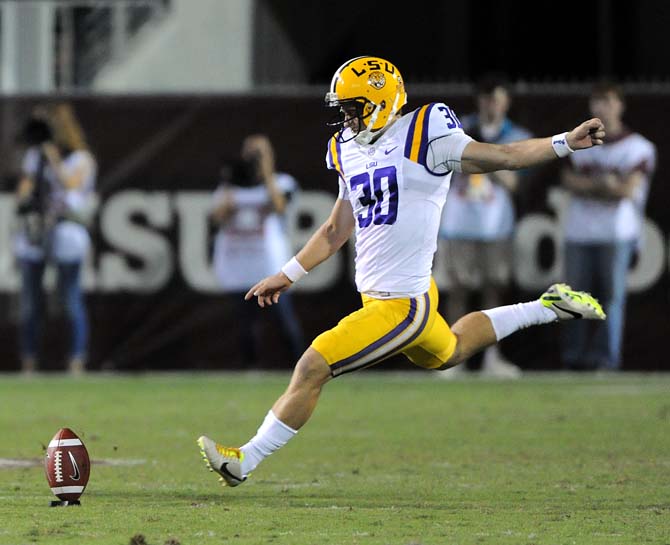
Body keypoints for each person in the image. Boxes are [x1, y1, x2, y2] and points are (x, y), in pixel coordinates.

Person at [197, 56, 607, 487]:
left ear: (380, 100)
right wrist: (289, 273)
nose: (346, 117)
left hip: (401, 304)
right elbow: (337, 228)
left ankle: (245, 459)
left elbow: (502, 155)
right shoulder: (345, 148)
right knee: (451, 350)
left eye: (353, 106)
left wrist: (564, 142)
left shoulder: (425, 129)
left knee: (312, 366)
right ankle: (548, 306)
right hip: (391, 297)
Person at [438, 73, 532, 378]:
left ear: (506, 103)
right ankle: (455, 357)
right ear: (479, 101)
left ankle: (492, 357)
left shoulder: (515, 135)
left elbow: (515, 181)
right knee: (458, 290)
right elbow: (442, 169)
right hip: (459, 222)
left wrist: (489, 159)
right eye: (487, 98)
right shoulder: (460, 130)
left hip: (495, 226)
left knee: (494, 290)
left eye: (497, 99)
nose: (491, 105)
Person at [559, 82, 656, 371]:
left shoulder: (639, 146)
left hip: (617, 233)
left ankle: (606, 359)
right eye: (598, 101)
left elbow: (627, 190)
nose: (604, 107)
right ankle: (572, 358)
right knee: (573, 297)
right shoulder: (577, 141)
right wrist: (603, 185)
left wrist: (590, 187)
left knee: (611, 300)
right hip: (579, 232)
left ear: (620, 105)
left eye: (609, 101)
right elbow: (567, 180)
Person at [13, 103, 97, 375]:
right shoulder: (34, 157)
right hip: (37, 231)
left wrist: (52, 156)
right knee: (31, 301)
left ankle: (76, 359)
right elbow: (23, 191)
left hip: (66, 230)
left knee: (70, 297)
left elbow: (71, 184)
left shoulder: (82, 159)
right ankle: (29, 361)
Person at [211, 134, 305, 365]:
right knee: (246, 326)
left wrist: (266, 173)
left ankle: (302, 369)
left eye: (258, 154)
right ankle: (250, 372)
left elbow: (280, 206)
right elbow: (216, 218)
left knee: (285, 323)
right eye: (250, 153)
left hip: (269, 266)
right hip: (240, 266)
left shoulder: (282, 183)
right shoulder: (229, 187)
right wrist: (232, 183)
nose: (252, 159)